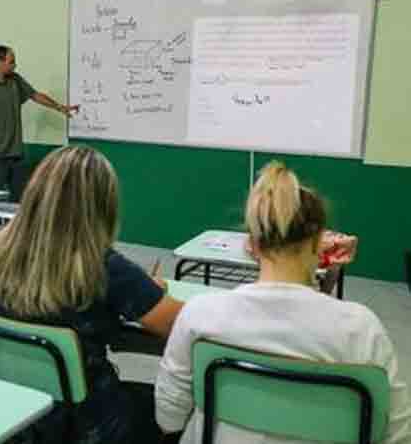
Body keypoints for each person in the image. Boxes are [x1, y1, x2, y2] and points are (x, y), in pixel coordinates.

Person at [155, 162, 411, 444]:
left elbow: (168, 417)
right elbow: (397, 434)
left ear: (250, 245)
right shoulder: (361, 329)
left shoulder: (201, 314)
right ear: (318, 244)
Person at [0, 145, 184, 443]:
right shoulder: (104, 268)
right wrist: (151, 290)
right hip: (89, 424)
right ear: (102, 206)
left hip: (19, 416)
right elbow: (184, 323)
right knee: (178, 410)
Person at [0, 45, 79, 200]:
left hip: (17, 154)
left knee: (20, 198)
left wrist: (60, 107)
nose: (15, 65)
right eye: (11, 62)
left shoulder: (15, 80)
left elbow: (35, 95)